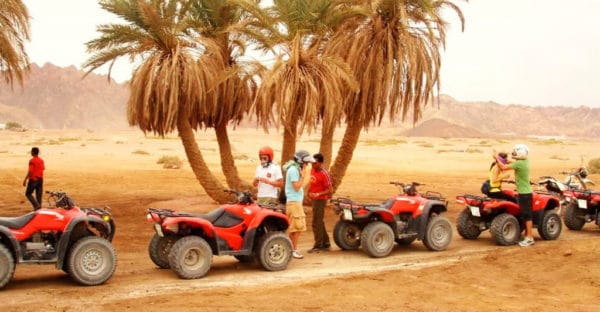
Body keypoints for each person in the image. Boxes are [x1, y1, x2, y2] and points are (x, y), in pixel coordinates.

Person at [495, 144, 534, 247]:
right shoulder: (524, 162)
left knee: (527, 216)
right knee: (525, 215)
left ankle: (529, 238)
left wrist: (496, 158)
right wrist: (501, 158)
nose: (514, 154)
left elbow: (503, 167)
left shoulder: (519, 164)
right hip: (525, 192)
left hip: (524, 193)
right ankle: (526, 236)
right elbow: (510, 162)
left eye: (516, 152)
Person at [283, 150, 315, 259]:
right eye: (306, 163)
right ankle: (294, 250)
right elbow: (296, 187)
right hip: (294, 203)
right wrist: (303, 176)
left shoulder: (295, 169)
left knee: (296, 228)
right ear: (301, 161)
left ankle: (291, 249)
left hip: (295, 203)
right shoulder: (293, 170)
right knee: (297, 228)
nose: (307, 165)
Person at [307, 153, 333, 253]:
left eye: (315, 163)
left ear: (321, 163)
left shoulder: (324, 173)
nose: (313, 165)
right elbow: (312, 182)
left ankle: (318, 245)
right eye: (312, 163)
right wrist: (309, 192)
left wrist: (318, 194)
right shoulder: (313, 170)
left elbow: (330, 190)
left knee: (316, 222)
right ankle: (326, 243)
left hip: (321, 200)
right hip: (314, 199)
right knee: (319, 222)